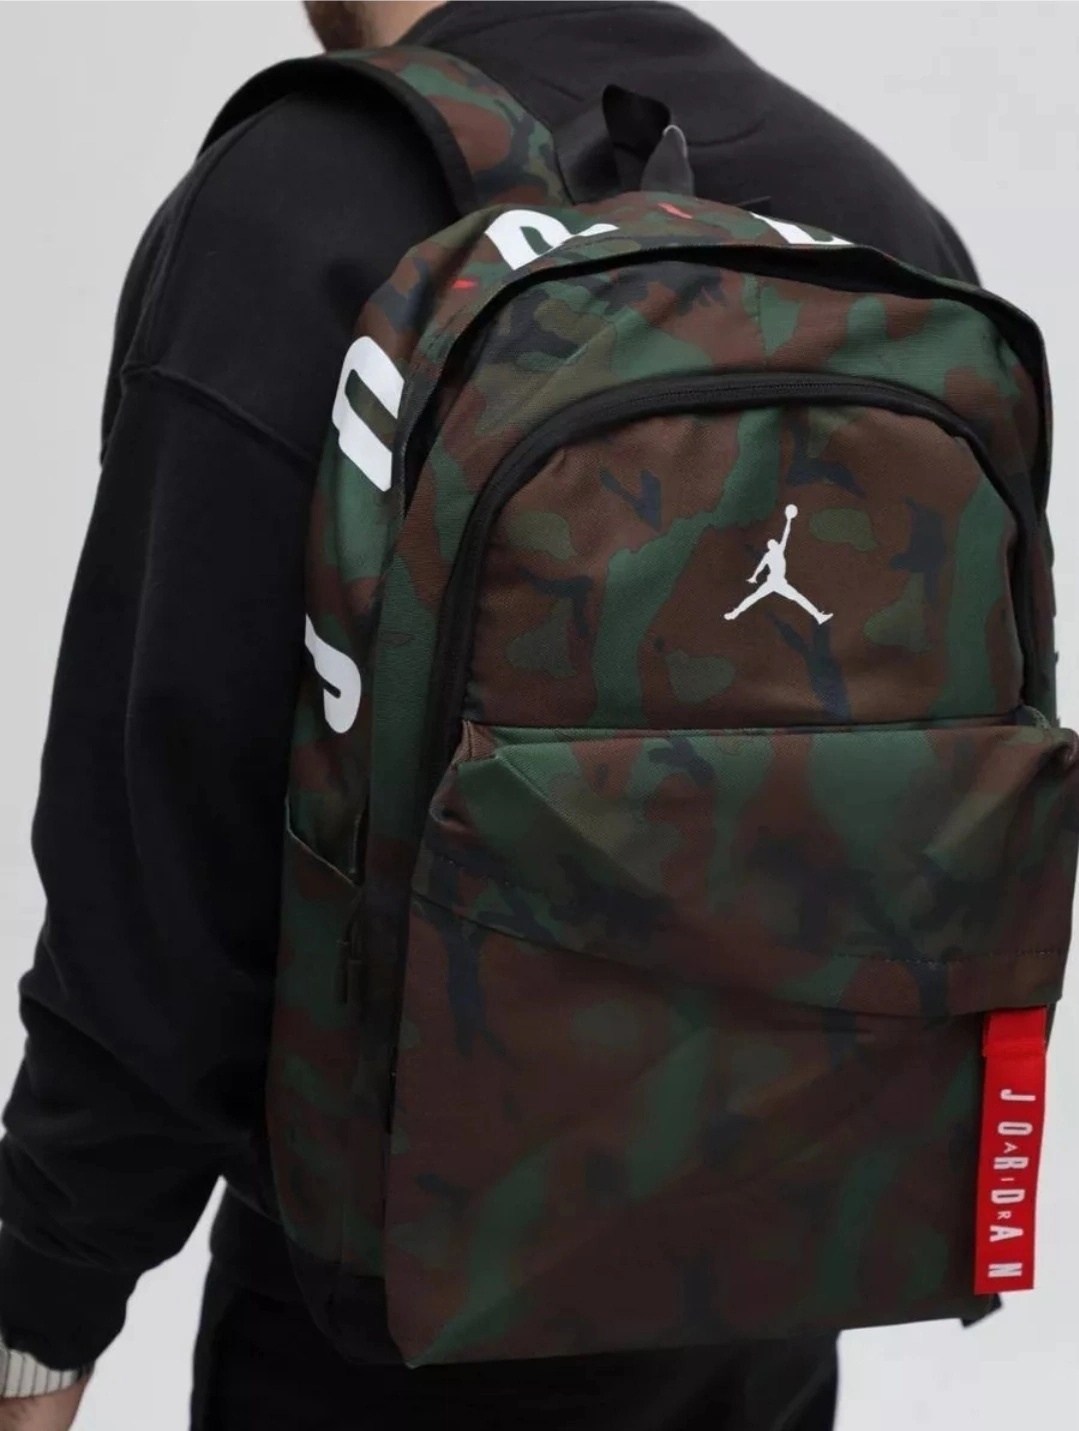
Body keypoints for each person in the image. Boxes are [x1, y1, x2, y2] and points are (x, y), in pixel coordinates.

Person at [0, 4, 979, 1428]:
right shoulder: (876, 216)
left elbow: (163, 861)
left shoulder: (303, 199)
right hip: (766, 1301)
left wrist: (42, 1304)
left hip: (379, 1341)